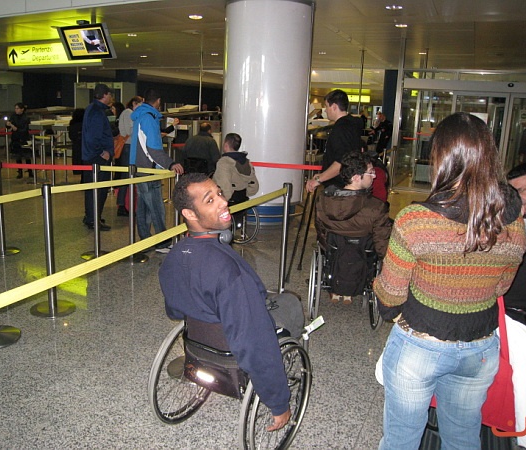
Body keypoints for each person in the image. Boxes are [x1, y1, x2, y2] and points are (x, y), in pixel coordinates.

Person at [373, 112, 526, 450]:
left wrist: (381, 290)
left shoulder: (416, 220)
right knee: (462, 438)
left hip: (419, 345)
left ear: (440, 159)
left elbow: (390, 295)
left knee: (401, 440)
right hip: (479, 348)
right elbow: (501, 287)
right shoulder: (512, 224)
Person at [159, 173, 292, 431]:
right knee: (291, 307)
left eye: (219, 193)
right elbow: (254, 342)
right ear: (189, 214)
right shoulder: (231, 273)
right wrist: (278, 402)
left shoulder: (172, 259)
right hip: (232, 348)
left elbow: (174, 312)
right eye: (210, 200)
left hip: (198, 343)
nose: (223, 202)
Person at [315, 151, 391, 304]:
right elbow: (382, 242)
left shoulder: (323, 200)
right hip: (363, 257)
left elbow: (321, 232)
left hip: (334, 251)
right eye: (371, 173)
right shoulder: (376, 207)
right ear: (356, 177)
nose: (374, 176)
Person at [130, 88, 184, 253]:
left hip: (139, 167)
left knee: (144, 207)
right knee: (156, 206)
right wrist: (170, 163)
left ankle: (145, 240)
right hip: (148, 169)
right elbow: (153, 149)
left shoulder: (141, 116)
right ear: (158, 101)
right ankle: (162, 243)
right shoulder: (149, 118)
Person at [305, 89, 363, 192]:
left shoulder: (341, 128)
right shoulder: (351, 125)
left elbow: (341, 162)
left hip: (338, 187)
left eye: (327, 106)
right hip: (347, 184)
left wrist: (318, 179)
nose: (325, 110)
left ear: (334, 107)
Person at [506, 162, 526, 331]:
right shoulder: (510, 222)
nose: (517, 199)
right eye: (513, 193)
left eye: (522, 190)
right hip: (507, 315)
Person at [81, 84, 114, 231]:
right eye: (110, 94)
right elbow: (93, 137)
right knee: (98, 190)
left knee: (92, 190)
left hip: (91, 156)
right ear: (105, 95)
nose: (111, 97)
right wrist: (102, 152)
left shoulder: (93, 109)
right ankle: (93, 219)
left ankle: (92, 216)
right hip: (97, 158)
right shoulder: (97, 112)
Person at [115, 96, 143, 217]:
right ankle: (121, 205)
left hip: (130, 146)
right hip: (128, 146)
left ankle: (123, 204)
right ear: (134, 103)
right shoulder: (128, 113)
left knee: (127, 175)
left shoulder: (129, 113)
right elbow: (129, 131)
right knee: (126, 175)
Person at [6, 102, 32, 179]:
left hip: (24, 138)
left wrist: (17, 129)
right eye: (15, 108)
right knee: (18, 156)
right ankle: (20, 171)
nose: (16, 110)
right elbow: (9, 125)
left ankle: (30, 171)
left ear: (22, 109)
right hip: (16, 138)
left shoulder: (26, 118)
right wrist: (8, 125)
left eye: (17, 108)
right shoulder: (13, 116)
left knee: (27, 156)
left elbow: (25, 129)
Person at [68, 108, 85, 178]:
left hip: (76, 147)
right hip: (84, 147)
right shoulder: (85, 124)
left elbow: (71, 136)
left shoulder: (72, 124)